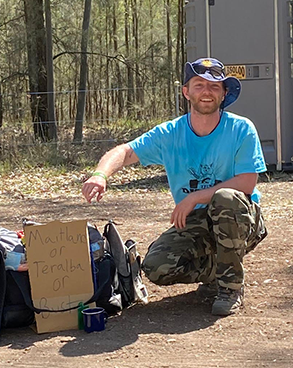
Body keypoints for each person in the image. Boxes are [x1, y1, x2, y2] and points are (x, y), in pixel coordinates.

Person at [82, 57, 268, 316]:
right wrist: (100, 174)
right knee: (156, 267)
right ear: (186, 92)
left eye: (215, 86)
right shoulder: (170, 133)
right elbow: (125, 152)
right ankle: (217, 271)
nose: (207, 91)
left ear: (224, 93)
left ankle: (230, 287)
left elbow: (247, 183)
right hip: (196, 221)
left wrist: (194, 198)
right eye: (199, 84)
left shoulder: (240, 128)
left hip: (240, 217)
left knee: (225, 198)